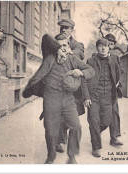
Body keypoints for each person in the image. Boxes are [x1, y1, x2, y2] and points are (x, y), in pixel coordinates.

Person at [22, 34, 94, 164]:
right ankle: (51, 156)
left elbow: (90, 70)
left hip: (68, 98)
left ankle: (72, 157)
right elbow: (45, 38)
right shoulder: (49, 57)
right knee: (50, 129)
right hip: (51, 97)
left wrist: (81, 72)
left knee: (76, 126)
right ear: (55, 47)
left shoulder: (73, 59)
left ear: (69, 46)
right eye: (59, 45)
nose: (63, 48)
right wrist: (57, 49)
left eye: (65, 45)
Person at [82, 39, 122, 157]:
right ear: (97, 48)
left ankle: (95, 133)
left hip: (108, 97)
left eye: (105, 46)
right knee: (94, 121)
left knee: (106, 120)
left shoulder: (114, 61)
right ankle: (96, 147)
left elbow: (118, 75)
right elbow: (84, 79)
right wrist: (86, 97)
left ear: (109, 47)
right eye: (100, 46)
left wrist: (116, 85)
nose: (103, 48)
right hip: (94, 96)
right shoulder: (90, 61)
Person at [55, 18, 86, 153]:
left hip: (73, 87)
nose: (63, 29)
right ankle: (61, 141)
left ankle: (65, 139)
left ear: (72, 30)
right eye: (62, 27)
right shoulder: (55, 42)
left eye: (67, 28)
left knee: (72, 116)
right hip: (59, 85)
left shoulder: (78, 45)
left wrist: (67, 51)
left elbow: (79, 54)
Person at [104, 34, 123, 146]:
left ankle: (114, 137)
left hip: (112, 91)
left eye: (111, 44)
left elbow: (121, 72)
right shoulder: (95, 56)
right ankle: (96, 135)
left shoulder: (115, 58)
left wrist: (118, 82)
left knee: (114, 113)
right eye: (107, 44)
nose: (109, 47)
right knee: (100, 115)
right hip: (100, 91)